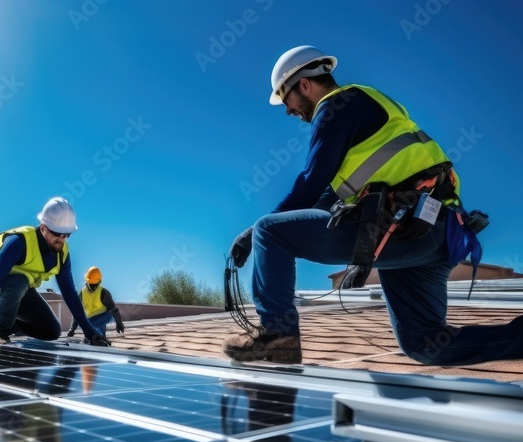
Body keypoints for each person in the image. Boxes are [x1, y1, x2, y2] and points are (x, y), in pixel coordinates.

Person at [224, 45, 523, 365]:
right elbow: (325, 197)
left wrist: (256, 231)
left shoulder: (336, 105)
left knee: (272, 231)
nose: (288, 110)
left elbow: (310, 181)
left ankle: (277, 335)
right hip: (435, 233)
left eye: (286, 99)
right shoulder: (365, 108)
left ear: (304, 85)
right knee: (425, 343)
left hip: (407, 225)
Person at [0, 197, 110, 346]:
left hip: (21, 290)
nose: (62, 240)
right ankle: (1, 333)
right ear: (43, 227)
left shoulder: (62, 254)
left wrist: (90, 333)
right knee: (19, 281)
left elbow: (70, 294)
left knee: (51, 331)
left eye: (66, 235)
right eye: (57, 234)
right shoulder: (19, 242)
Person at [66, 266, 125, 339]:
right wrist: (72, 329)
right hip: (92, 321)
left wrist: (119, 323)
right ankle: (100, 338)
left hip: (96, 320)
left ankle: (96, 336)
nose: (93, 287)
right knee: (109, 316)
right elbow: (77, 312)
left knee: (93, 325)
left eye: (94, 284)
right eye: (92, 284)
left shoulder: (100, 293)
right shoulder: (85, 294)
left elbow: (113, 310)